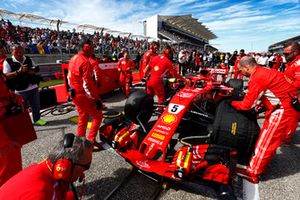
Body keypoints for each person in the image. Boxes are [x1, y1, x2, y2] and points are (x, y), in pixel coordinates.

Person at [231, 56, 298, 183]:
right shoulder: (265, 70)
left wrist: (233, 103)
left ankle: (253, 172)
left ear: (246, 67)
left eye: (240, 70)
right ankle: (259, 164)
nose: (240, 73)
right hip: (288, 105)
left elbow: (246, 105)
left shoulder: (256, 78)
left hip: (283, 110)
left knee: (266, 141)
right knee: (267, 138)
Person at [0, 133, 93, 200]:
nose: (83, 173)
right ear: (65, 166)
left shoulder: (45, 166)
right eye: (85, 167)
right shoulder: (41, 193)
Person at [68, 39, 103, 148]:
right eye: (92, 47)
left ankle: (80, 142)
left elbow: (69, 78)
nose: (93, 50)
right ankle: (91, 142)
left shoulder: (72, 59)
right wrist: (95, 98)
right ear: (87, 48)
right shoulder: (85, 61)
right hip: (83, 95)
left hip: (74, 93)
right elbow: (87, 84)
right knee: (98, 116)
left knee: (83, 118)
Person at [2, 45, 46, 126]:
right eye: (16, 52)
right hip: (20, 89)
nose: (19, 54)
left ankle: (37, 119)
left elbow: (36, 68)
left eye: (21, 52)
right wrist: (18, 71)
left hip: (33, 86)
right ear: (12, 52)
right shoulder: (7, 61)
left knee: (36, 105)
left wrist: (32, 71)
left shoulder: (28, 58)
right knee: (22, 108)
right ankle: (24, 122)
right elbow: (6, 75)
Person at [0, 71, 23, 187]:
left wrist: (13, 98)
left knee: (14, 171)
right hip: (3, 138)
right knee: (6, 174)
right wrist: (4, 143)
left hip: (8, 128)